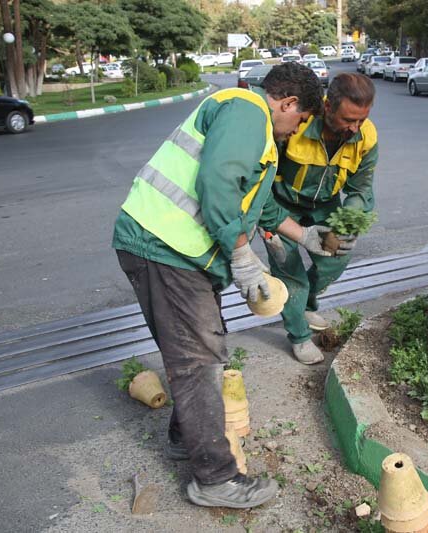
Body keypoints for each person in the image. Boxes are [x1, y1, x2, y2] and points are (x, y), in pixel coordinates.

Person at [111, 62, 328, 509]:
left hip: (178, 255)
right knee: (198, 360)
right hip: (164, 247)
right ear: (287, 103)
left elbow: (260, 209)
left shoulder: (259, 138)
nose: (298, 129)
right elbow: (218, 182)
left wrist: (305, 236)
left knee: (200, 347)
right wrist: (242, 256)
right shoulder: (248, 110)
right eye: (301, 119)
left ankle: (182, 438)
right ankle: (215, 479)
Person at [264, 72, 378, 365]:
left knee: (335, 258)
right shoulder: (297, 125)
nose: (354, 128)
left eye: (361, 120)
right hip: (282, 204)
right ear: (328, 107)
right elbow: (261, 179)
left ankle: (307, 304)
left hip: (326, 203)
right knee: (290, 273)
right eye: (347, 120)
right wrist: (266, 224)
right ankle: (300, 337)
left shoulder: (366, 137)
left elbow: (361, 186)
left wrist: (348, 222)